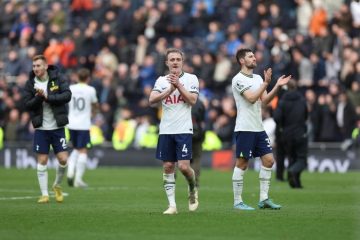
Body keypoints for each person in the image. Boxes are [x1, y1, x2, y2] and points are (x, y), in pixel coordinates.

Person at [231, 48, 291, 210]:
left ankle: (264, 199)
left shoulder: (257, 77)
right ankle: (238, 201)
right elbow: (251, 98)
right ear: (242, 61)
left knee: (269, 160)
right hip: (244, 128)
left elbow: (265, 101)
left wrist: (276, 86)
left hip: (258, 127)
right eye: (250, 56)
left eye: (254, 55)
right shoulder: (238, 79)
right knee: (242, 163)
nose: (254, 58)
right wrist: (266, 83)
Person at [149, 48, 199, 215]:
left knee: (184, 167)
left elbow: (192, 100)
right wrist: (169, 90)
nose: (175, 62)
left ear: (182, 62)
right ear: (167, 63)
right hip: (166, 130)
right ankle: (172, 205)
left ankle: (192, 188)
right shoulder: (161, 80)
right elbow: (151, 100)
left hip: (184, 129)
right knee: (168, 166)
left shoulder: (191, 79)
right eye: (172, 59)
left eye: (178, 59)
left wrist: (178, 85)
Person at [22, 55, 72, 203]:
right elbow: (27, 104)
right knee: (42, 159)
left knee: (63, 159)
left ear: (45, 66)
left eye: (38, 65)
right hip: (42, 128)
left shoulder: (58, 78)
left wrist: (48, 98)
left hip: (57, 127)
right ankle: (44, 194)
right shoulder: (30, 84)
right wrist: (39, 97)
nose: (35, 68)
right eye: (33, 66)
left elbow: (67, 95)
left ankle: (57, 186)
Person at [67, 68, 98, 188]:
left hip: (71, 123)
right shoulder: (90, 90)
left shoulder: (71, 88)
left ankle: (70, 172)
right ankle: (78, 179)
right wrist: (94, 113)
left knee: (76, 148)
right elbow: (95, 104)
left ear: (77, 78)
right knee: (83, 150)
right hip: (84, 124)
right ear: (88, 78)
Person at [274, 79, 308, 188]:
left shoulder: (282, 101)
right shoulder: (302, 100)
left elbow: (276, 118)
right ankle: (292, 172)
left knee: (292, 158)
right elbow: (306, 115)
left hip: (286, 135)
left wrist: (283, 126)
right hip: (300, 133)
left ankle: (296, 183)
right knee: (302, 160)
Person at [191, 98, 206, 188]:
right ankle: (195, 180)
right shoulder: (200, 103)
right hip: (197, 133)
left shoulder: (182, 100)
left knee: (179, 156)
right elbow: (202, 120)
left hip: (184, 132)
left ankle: (172, 177)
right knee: (196, 158)